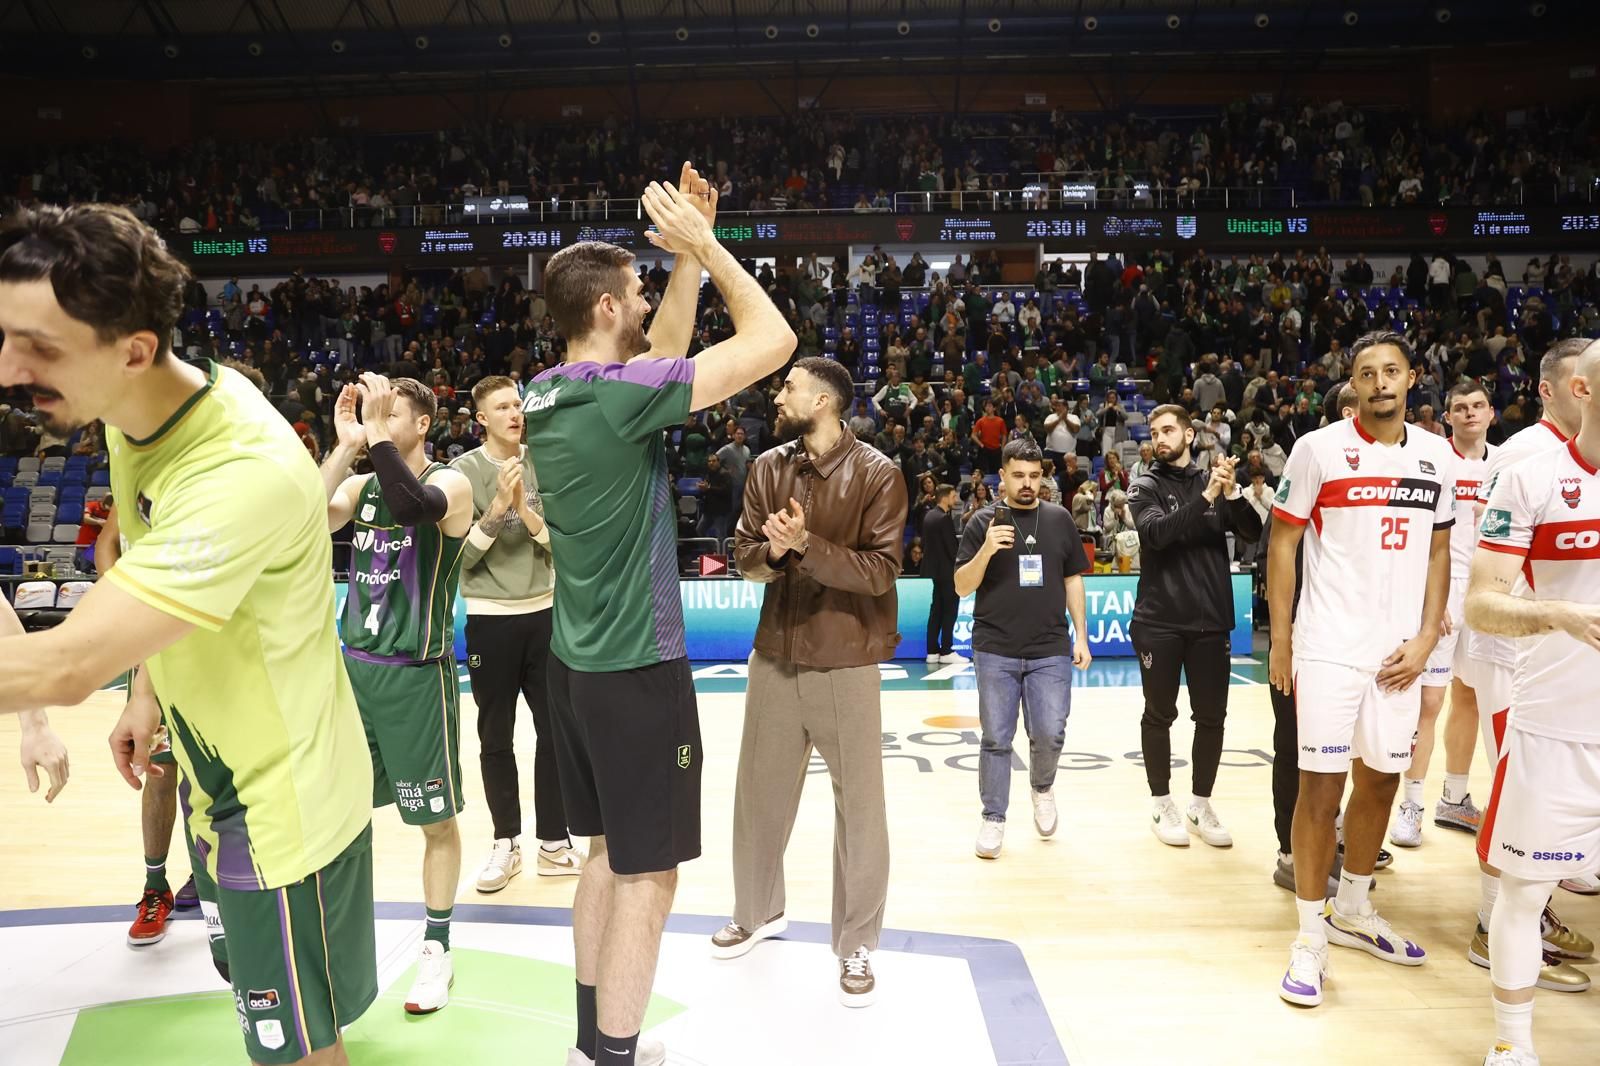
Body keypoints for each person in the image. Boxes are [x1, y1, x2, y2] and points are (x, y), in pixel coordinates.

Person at [0, 203, 376, 1066]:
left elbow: (64, 663)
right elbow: (142, 561)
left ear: (132, 350)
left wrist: (103, 674)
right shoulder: (148, 412)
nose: (11, 367)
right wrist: (144, 690)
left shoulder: (237, 466)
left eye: (42, 348)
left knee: (297, 1047)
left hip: (281, 806)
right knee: (274, 1019)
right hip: (218, 780)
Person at [521, 171, 795, 1066]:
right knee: (651, 876)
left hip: (576, 668)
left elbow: (659, 350)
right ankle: (614, 1058)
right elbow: (773, 340)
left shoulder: (550, 390)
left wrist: (675, 263)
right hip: (638, 668)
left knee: (606, 857)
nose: (645, 304)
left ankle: (588, 1046)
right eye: (636, 292)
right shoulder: (618, 395)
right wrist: (710, 250)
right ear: (607, 307)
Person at [1269, 331, 1455, 1008]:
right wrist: (1282, 640)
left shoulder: (1437, 458)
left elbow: (1440, 554)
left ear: (1411, 379)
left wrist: (1430, 634)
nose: (1381, 382)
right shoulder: (1318, 450)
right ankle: (1310, 936)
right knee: (1319, 791)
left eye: (1392, 371)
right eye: (1367, 373)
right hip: (1327, 647)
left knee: (1378, 783)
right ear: (1353, 383)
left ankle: (1353, 907)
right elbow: (1283, 543)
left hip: (1399, 654)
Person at [717, 356, 907, 1007]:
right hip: (774, 653)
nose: (780, 393)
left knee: (861, 809)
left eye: (791, 386)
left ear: (823, 400)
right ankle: (758, 910)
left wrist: (806, 547)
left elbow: (881, 572)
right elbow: (743, 553)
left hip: (847, 659)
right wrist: (771, 551)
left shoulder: (879, 474)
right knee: (757, 796)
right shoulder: (768, 467)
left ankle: (857, 940)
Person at [1466, 340, 1600, 1066]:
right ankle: (1512, 1048)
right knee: (1522, 895)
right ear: (1580, 389)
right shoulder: (1529, 478)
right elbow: (1481, 604)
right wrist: (1555, 614)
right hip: (1554, 727)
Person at [322, 373, 473, 1015]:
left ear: (421, 425)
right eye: (376, 413)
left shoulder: (455, 483)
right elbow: (297, 515)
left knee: (433, 821)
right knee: (338, 816)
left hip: (416, 676)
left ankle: (437, 952)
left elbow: (413, 505)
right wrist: (344, 447)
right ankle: (335, 947)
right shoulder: (360, 487)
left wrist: (374, 437)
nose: (380, 421)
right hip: (351, 672)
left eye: (392, 413)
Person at [452, 374, 583, 893]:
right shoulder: (462, 473)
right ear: (480, 417)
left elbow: (561, 546)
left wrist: (525, 511)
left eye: (517, 404)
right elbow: (461, 559)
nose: (515, 413)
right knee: (495, 735)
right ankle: (506, 843)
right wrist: (496, 510)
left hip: (546, 613)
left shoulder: (544, 458)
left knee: (555, 732)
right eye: (502, 407)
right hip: (489, 618)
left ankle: (554, 841)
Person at [1128, 405, 1262, 848]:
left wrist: (1234, 492)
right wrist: (1205, 497)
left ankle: (1200, 805)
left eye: (1168, 430)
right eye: (1154, 432)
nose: (1159, 438)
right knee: (1159, 714)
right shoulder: (1143, 484)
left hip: (1210, 622)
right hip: (1159, 621)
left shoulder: (1216, 483)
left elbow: (1251, 533)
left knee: (1211, 718)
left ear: (1189, 434)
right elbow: (1157, 535)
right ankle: (1161, 801)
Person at [955, 437, 1093, 860]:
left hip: (1050, 646)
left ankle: (1042, 787)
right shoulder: (981, 522)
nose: (1027, 483)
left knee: (1050, 733)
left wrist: (1082, 636)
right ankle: (994, 817)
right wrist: (986, 550)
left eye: (1034, 476)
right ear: (1003, 478)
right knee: (996, 737)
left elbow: (1073, 579)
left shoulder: (1059, 519)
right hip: (995, 646)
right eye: (1019, 476)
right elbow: (962, 586)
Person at [1389, 381, 1496, 849]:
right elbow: (1415, 534)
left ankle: (1454, 798)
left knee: (1472, 696)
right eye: (1460, 408)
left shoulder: (1508, 461)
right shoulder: (1433, 458)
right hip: (1444, 593)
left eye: (1478, 406)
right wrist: (1430, 599)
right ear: (1447, 416)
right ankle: (1409, 804)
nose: (1470, 414)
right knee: (1428, 704)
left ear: (1492, 413)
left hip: (1491, 593)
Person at [921, 483, 963, 664]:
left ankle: (932, 651)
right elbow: (951, 548)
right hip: (947, 572)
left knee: (936, 610)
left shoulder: (929, 516)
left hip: (935, 572)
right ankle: (946, 650)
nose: (956, 500)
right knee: (949, 611)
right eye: (953, 496)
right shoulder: (944, 519)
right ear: (945, 497)